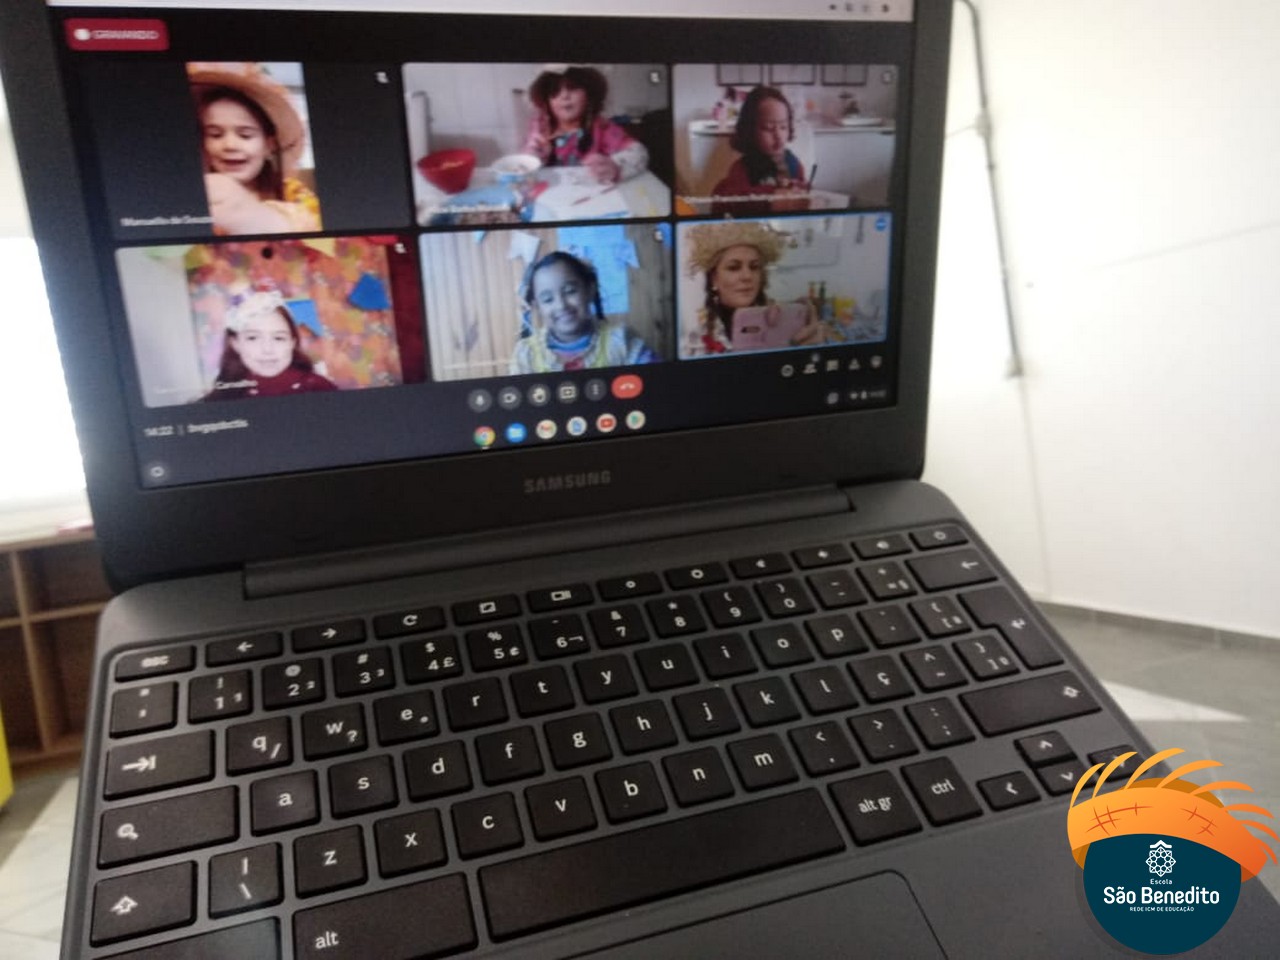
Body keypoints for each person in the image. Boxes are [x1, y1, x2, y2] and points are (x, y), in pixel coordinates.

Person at [189, 62, 321, 235]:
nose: (230, 145)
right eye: (215, 134)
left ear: (269, 145)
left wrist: (256, 216)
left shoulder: (292, 192)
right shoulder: (194, 193)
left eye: (245, 135)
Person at [681, 221, 823, 356]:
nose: (747, 276)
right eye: (734, 267)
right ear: (714, 279)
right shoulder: (697, 339)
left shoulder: (785, 319)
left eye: (754, 267)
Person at [511, 252, 657, 373]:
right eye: (548, 299)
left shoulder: (621, 342)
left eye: (570, 291)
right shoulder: (526, 354)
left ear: (589, 290)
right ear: (538, 307)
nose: (561, 305)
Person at [523, 66, 648, 185]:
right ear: (547, 102)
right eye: (554, 91)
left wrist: (615, 167)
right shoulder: (541, 127)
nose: (564, 96)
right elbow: (526, 165)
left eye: (573, 88)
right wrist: (536, 157)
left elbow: (639, 153)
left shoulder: (602, 128)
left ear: (589, 95)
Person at [204, 290, 337, 399]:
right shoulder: (221, 398)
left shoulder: (320, 389)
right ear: (235, 343)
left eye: (279, 338)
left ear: (293, 342)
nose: (267, 349)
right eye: (253, 338)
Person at [712, 86, 808, 204]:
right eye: (768, 128)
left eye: (783, 127)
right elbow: (731, 200)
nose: (778, 135)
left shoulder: (794, 164)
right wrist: (772, 196)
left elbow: (803, 193)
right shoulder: (743, 168)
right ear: (750, 130)